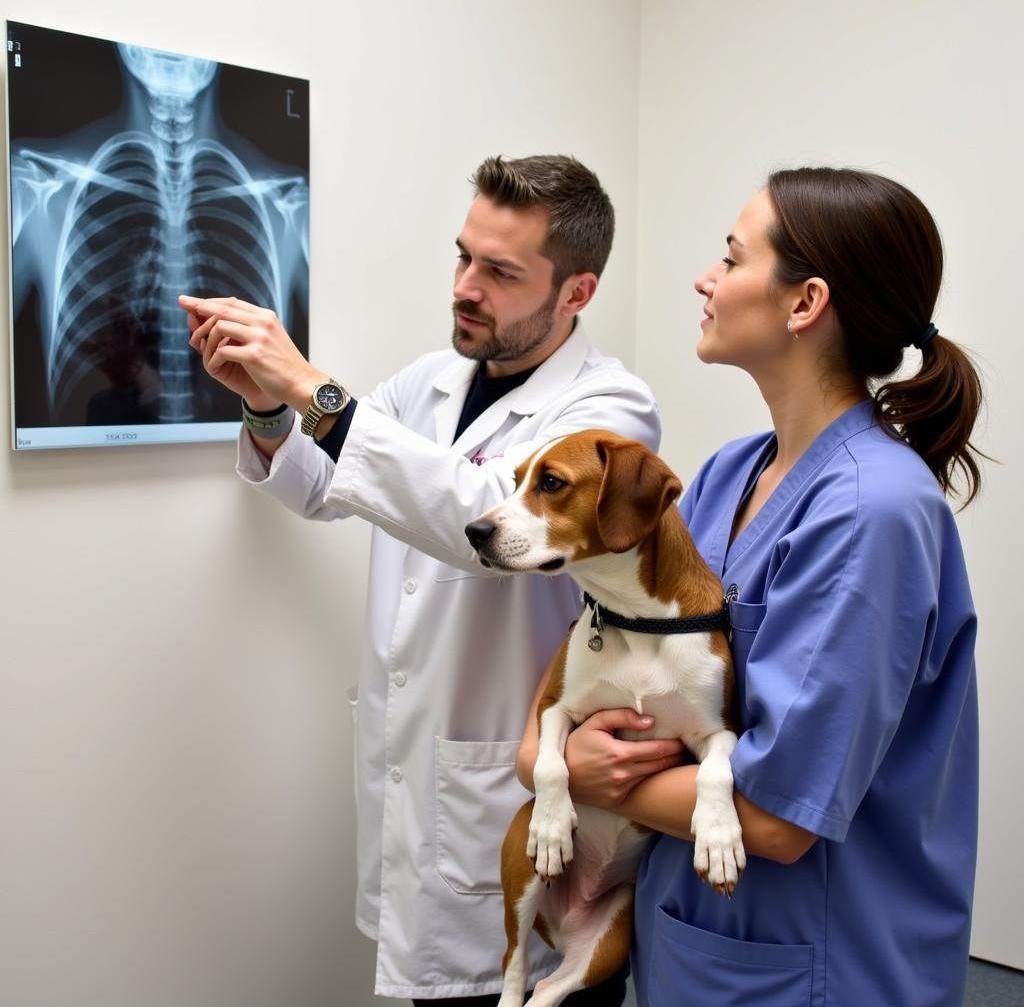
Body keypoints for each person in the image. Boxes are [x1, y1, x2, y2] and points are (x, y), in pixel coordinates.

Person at [179, 155, 678, 1004]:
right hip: (423, 767)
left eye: (500, 272)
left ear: (576, 293)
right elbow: (322, 485)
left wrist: (308, 383)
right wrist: (267, 405)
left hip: (531, 798)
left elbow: (488, 524)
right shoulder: (431, 381)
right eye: (463, 258)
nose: (466, 287)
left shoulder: (610, 411)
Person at [518, 167, 981, 1007]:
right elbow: (606, 639)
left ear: (804, 304)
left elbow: (776, 821)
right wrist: (545, 751)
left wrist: (569, 772)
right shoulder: (730, 473)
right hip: (691, 939)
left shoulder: (870, 511)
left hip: (817, 964)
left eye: (730, 260)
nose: (706, 278)